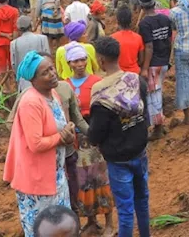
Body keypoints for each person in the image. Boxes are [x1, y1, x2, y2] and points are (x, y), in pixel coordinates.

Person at [4, 54, 75, 237]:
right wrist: (61, 137)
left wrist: (67, 132)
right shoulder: (31, 102)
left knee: (60, 227)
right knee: (43, 229)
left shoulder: (53, 94)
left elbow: (58, 126)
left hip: (55, 175)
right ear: (33, 80)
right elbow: (35, 143)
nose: (52, 74)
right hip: (36, 180)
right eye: (45, 72)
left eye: (51, 68)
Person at [86, 37, 151, 237]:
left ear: (101, 60)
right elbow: (145, 114)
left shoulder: (101, 92)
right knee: (142, 200)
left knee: (124, 209)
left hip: (118, 158)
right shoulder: (136, 80)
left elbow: (96, 134)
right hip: (140, 151)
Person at [59, 43, 113, 236]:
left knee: (101, 177)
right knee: (83, 180)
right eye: (75, 61)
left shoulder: (97, 81)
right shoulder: (65, 85)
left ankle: (109, 223)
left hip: (95, 136)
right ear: (69, 63)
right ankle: (91, 220)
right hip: (76, 141)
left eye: (83, 59)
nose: (80, 64)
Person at [136, 0, 172, 140]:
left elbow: (149, 46)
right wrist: (169, 60)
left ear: (142, 6)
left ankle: (157, 128)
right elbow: (170, 39)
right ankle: (159, 126)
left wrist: (144, 67)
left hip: (153, 64)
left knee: (153, 95)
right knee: (157, 92)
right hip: (163, 61)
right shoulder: (165, 19)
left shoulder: (144, 24)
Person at [11, 17, 51, 92]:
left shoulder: (14, 44)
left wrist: (19, 76)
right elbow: (48, 57)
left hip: (24, 81)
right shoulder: (42, 38)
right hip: (43, 77)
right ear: (31, 25)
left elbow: (14, 65)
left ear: (18, 29)